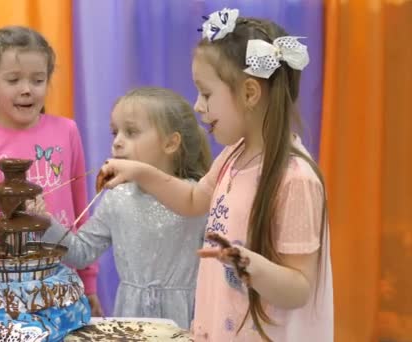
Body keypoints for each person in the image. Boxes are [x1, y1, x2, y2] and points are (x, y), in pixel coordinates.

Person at [101, 8, 333, 341]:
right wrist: (139, 171)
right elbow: (194, 199)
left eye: (206, 93)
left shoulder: (295, 179)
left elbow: (299, 289)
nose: (197, 106)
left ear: (250, 93)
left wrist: (247, 264)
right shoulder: (232, 156)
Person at [0, 26, 101, 315]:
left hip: (59, 285)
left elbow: (80, 217)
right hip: (0, 292)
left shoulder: (67, 131)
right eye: (13, 79)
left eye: (38, 80)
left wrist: (88, 283)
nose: (26, 89)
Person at [41, 87, 210, 329]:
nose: (118, 142)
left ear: (171, 143)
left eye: (131, 132)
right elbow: (80, 253)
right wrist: (44, 221)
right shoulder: (117, 198)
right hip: (131, 319)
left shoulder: (199, 198)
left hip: (187, 321)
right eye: (115, 132)